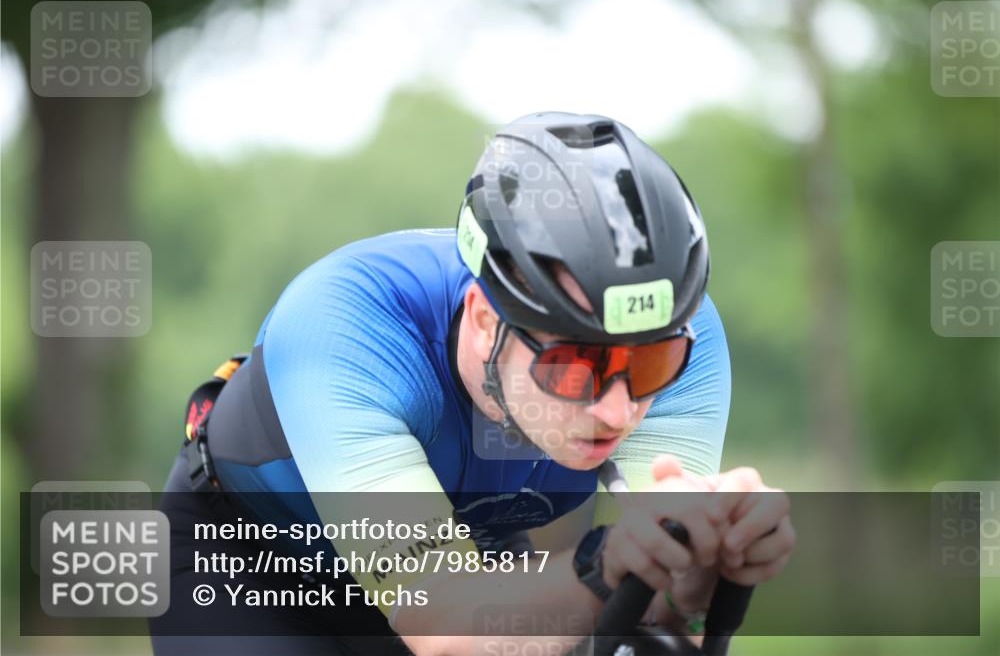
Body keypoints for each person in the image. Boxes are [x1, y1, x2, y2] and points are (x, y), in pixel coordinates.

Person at [149, 112, 794, 656]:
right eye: (577, 367)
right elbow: (444, 623)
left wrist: (701, 571)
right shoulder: (343, 322)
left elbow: (652, 608)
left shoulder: (688, 336)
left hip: (476, 563)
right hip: (253, 570)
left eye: (650, 366)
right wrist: (608, 562)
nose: (620, 410)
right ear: (487, 322)